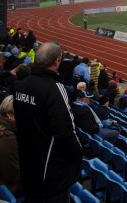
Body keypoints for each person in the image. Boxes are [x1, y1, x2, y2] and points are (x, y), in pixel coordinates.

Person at [14, 42, 83, 202]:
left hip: (28, 164)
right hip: (51, 172)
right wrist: (78, 153)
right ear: (57, 60)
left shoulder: (21, 85)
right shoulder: (55, 88)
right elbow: (66, 130)